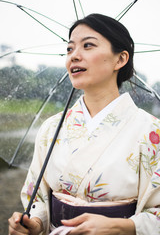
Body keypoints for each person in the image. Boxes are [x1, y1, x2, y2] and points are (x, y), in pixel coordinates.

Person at [8, 13, 160, 235]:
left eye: (88, 46)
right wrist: (36, 222)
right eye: (70, 49)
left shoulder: (151, 132)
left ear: (121, 59)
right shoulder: (52, 127)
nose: (74, 56)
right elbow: (38, 196)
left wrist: (122, 226)